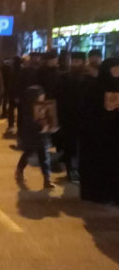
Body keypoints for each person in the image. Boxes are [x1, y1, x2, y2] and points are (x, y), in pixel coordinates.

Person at [78, 57, 119, 203]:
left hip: (115, 135)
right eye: (114, 69)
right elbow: (86, 112)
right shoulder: (94, 88)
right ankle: (99, 193)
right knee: (99, 165)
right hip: (98, 136)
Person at [15, 85, 54, 189]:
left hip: (41, 136)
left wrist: (51, 126)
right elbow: (29, 123)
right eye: (41, 94)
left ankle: (47, 179)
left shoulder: (44, 106)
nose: (43, 96)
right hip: (32, 136)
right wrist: (40, 126)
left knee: (44, 157)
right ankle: (20, 170)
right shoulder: (28, 109)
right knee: (28, 153)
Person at [56, 52, 87, 182]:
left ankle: (79, 169)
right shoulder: (64, 78)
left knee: (82, 146)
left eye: (78, 62)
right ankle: (71, 170)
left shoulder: (88, 79)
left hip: (84, 118)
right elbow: (57, 96)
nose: (75, 64)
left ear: (83, 63)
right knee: (70, 145)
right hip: (67, 117)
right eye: (73, 61)